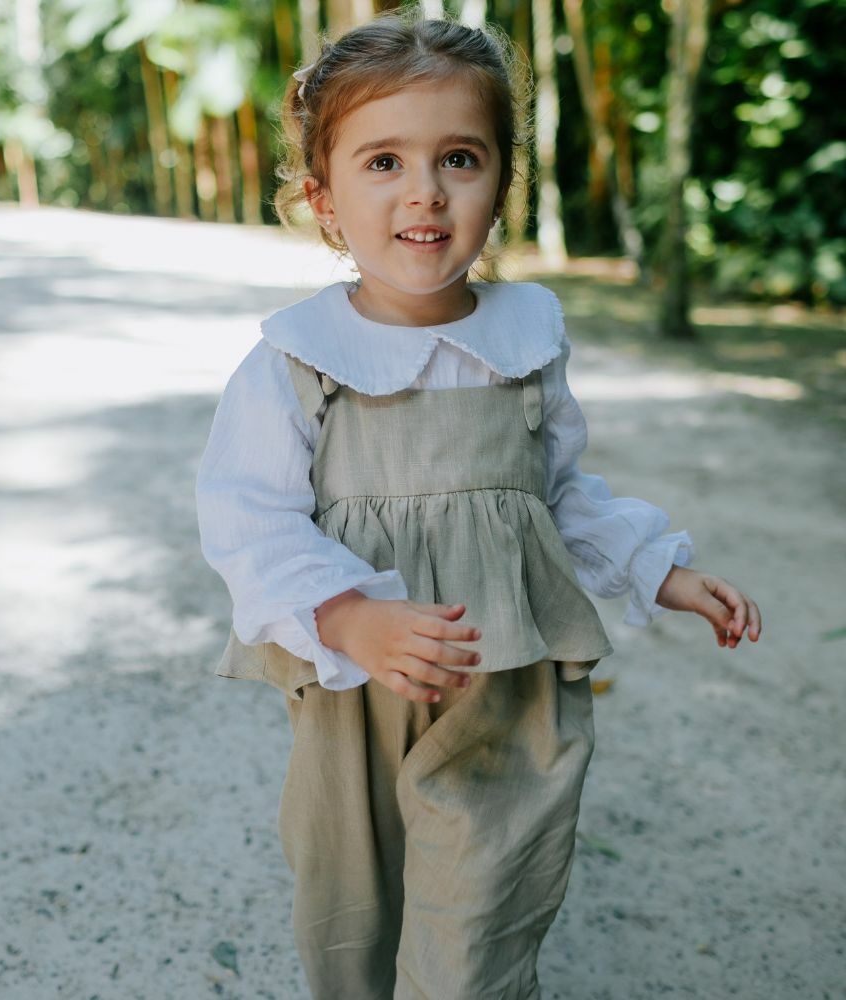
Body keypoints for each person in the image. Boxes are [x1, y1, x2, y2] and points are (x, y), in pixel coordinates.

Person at [196, 13, 761, 1000]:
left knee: (479, 923)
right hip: (354, 699)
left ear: (500, 182)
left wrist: (656, 567)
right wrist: (347, 612)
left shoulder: (526, 336)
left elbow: (555, 495)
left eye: (458, 157)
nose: (424, 189)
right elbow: (245, 518)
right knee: (351, 911)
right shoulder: (295, 361)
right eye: (383, 161)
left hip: (507, 682)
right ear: (324, 197)